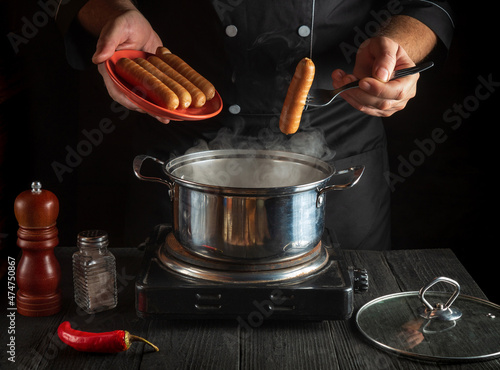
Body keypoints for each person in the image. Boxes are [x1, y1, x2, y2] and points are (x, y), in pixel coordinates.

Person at [55, 0, 454, 250]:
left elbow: (427, 2)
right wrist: (116, 14)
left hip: (336, 151)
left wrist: (399, 46)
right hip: (182, 156)